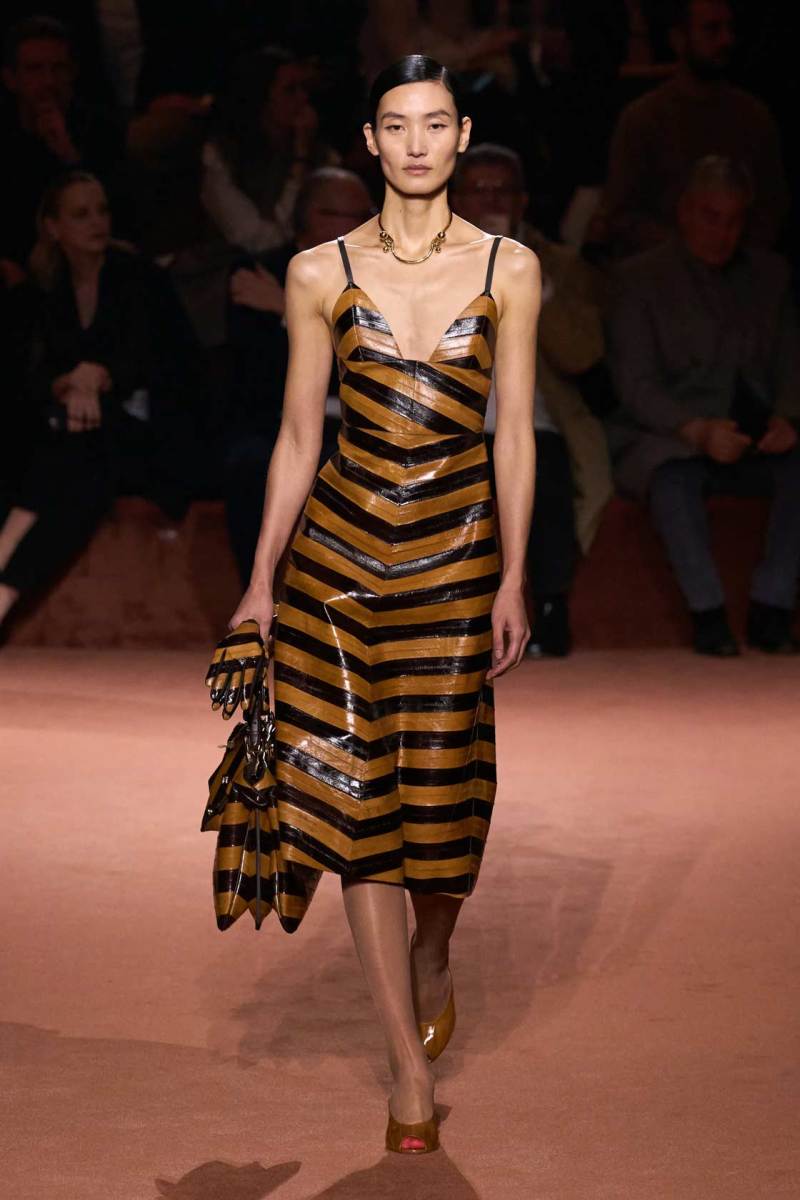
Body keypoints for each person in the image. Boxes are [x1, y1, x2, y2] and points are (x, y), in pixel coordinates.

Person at [226, 55, 540, 1153]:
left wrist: (512, 574)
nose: (416, 144)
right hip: (339, 567)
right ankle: (406, 1067)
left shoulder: (509, 267)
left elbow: (512, 432)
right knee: (358, 805)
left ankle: (433, 947)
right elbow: (297, 435)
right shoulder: (318, 270)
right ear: (369, 140)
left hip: (456, 561)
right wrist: (261, 581)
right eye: (396, 126)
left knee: (445, 805)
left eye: (435, 125)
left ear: (462, 137)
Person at [607, 155, 800, 656]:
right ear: (685, 211)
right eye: (711, 217)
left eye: (734, 220)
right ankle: (708, 613)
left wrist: (788, 417)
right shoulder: (640, 278)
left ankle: (773, 605)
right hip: (669, 433)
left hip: (754, 432)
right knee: (672, 477)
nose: (723, 233)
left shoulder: (770, 274)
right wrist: (695, 430)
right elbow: (635, 385)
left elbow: (791, 361)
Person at [0, 170, 200, 630]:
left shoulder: (140, 279)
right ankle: (5, 588)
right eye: (81, 214)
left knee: (77, 454)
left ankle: (5, 584)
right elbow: (28, 375)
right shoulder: (44, 291)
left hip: (150, 442)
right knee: (71, 454)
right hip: (77, 442)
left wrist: (100, 375)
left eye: (102, 211)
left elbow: (169, 368)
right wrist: (67, 383)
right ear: (53, 227)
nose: (97, 222)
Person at [452, 141, 611, 657]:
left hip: (540, 421)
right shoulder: (426, 259)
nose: (491, 200)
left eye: (503, 190)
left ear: (523, 201)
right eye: (479, 190)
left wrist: (528, 281)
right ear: (454, 199)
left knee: (547, 479)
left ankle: (549, 607)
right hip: (450, 420)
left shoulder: (559, 265)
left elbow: (583, 354)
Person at [224, 166, 375, 583]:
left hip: (362, 422)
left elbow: (378, 364)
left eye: (365, 215)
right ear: (307, 218)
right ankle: (259, 595)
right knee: (251, 466)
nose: (359, 228)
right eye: (343, 216)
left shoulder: (387, 278)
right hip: (279, 419)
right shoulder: (261, 273)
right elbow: (259, 373)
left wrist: (287, 309)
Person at [600, 0, 789, 257]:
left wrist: (731, 247)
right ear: (679, 39)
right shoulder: (644, 119)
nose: (726, 39)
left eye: (729, 28)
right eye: (712, 29)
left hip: (741, 268)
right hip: (662, 269)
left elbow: (772, 206)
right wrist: (688, 247)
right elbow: (620, 214)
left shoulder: (754, 117)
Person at [0, 15, 126, 266]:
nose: (48, 81)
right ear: (11, 78)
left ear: (72, 73)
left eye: (58, 68)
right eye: (35, 69)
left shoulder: (101, 129)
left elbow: (119, 214)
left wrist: (68, 155)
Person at [200, 45, 340, 255]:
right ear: (260, 98)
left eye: (305, 89)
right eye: (290, 90)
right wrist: (299, 164)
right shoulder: (220, 157)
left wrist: (303, 152)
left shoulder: (321, 153)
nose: (303, 99)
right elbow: (260, 241)